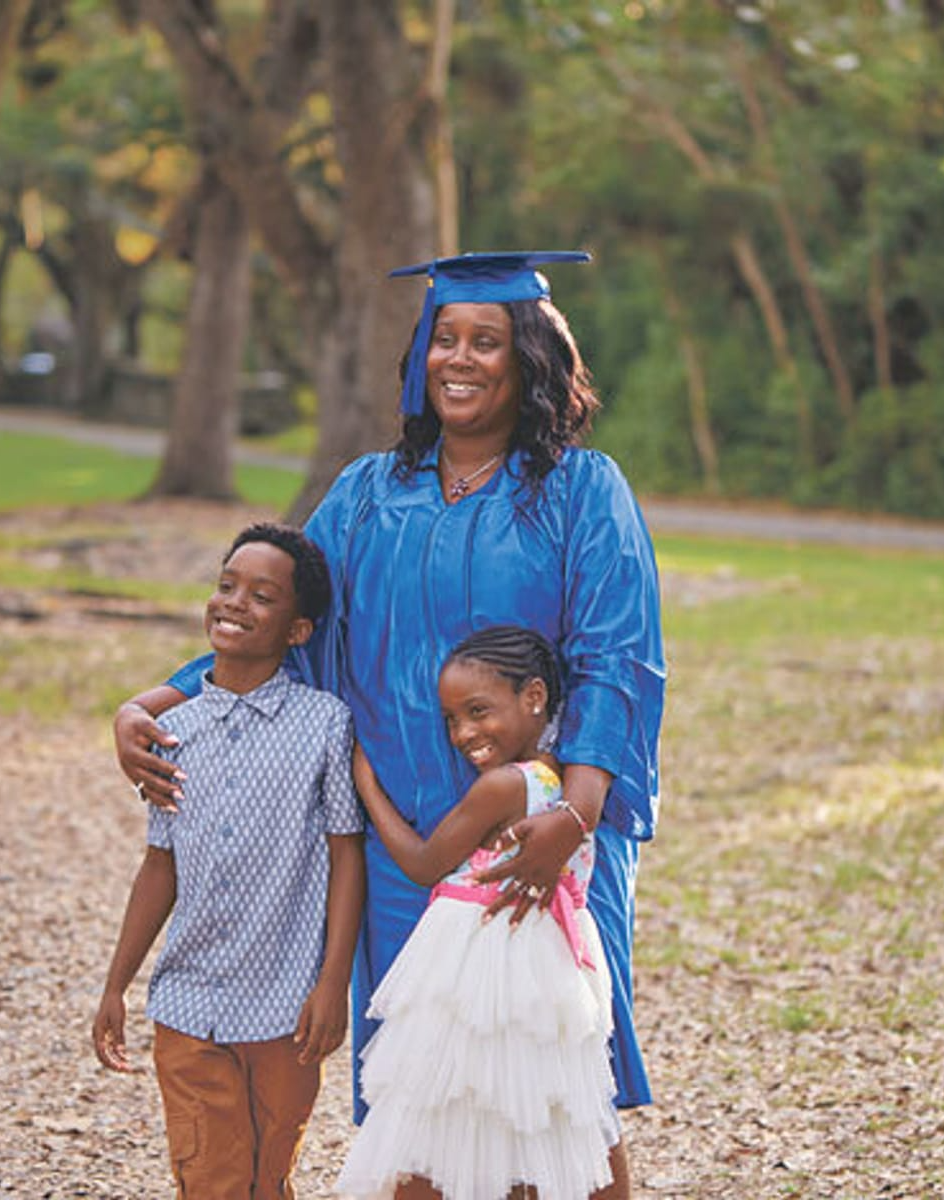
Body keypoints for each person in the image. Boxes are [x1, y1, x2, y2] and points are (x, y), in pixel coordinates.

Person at [116, 251, 665, 1198]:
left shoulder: (581, 493)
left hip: (542, 833)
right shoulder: (369, 493)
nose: (460, 358)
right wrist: (159, 702)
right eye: (443, 339)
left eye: (486, 341)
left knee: (560, 1092)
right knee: (419, 1094)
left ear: (529, 359)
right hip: (403, 840)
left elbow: (617, 663)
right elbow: (287, 624)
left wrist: (571, 820)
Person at [93, 522, 365, 1200]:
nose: (236, 603)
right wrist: (115, 983)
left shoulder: (325, 724)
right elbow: (160, 867)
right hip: (189, 1003)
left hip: (286, 1009)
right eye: (226, 586)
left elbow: (346, 856)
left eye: (262, 596)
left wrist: (333, 984)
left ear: (298, 630)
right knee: (210, 1180)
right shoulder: (173, 733)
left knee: (268, 1180)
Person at [336, 625, 618, 1200]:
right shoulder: (562, 783)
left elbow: (421, 863)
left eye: (478, 711)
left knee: (440, 1113)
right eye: (452, 720)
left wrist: (366, 785)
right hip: (548, 967)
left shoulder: (502, 787)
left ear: (534, 697)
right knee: (529, 1117)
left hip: (481, 966)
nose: (465, 733)